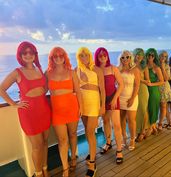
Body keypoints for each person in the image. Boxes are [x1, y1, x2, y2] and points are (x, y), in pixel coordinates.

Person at [0, 41, 51, 177]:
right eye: (25, 53)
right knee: (37, 145)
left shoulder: (39, 69)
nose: (28, 55)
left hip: (44, 110)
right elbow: (1, 88)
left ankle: (45, 168)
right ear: (20, 55)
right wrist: (14, 104)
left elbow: (44, 88)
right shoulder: (17, 72)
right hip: (29, 113)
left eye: (31, 52)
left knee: (45, 142)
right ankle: (38, 173)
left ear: (35, 54)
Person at [46, 47, 81, 176]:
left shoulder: (71, 72)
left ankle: (73, 159)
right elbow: (42, 90)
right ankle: (65, 168)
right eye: (55, 56)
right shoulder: (48, 73)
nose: (58, 58)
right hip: (57, 112)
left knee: (72, 134)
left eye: (61, 55)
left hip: (72, 108)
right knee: (62, 140)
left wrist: (81, 107)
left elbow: (78, 91)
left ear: (64, 57)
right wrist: (24, 95)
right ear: (51, 58)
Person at [76, 47, 105, 177]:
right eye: (81, 55)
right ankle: (91, 153)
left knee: (89, 131)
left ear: (89, 55)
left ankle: (93, 163)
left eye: (86, 55)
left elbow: (102, 90)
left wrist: (103, 105)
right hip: (82, 103)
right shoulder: (76, 70)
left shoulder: (97, 70)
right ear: (78, 57)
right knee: (89, 133)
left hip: (94, 102)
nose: (84, 57)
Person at [94, 47, 124, 164]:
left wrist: (115, 99)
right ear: (97, 57)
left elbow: (121, 85)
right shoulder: (95, 70)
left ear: (107, 56)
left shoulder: (113, 68)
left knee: (116, 125)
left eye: (104, 55)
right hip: (102, 100)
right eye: (100, 55)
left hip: (113, 98)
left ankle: (119, 150)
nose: (103, 57)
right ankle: (108, 143)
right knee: (105, 122)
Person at [118, 50, 140, 151]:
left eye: (127, 57)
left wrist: (132, 98)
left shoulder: (135, 70)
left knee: (131, 120)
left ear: (131, 58)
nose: (125, 59)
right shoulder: (118, 69)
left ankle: (132, 139)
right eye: (123, 57)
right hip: (120, 97)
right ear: (120, 59)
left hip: (132, 97)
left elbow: (137, 85)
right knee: (121, 119)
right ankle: (123, 137)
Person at [133, 48, 151, 142]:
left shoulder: (144, 67)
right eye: (137, 54)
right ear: (134, 55)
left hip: (143, 90)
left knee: (143, 110)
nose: (139, 56)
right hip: (133, 90)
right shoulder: (131, 65)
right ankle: (137, 131)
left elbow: (147, 81)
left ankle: (143, 131)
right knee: (136, 111)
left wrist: (139, 80)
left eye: (141, 54)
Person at [146, 48, 164, 134]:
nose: (150, 57)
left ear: (154, 57)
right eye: (148, 55)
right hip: (145, 91)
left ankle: (151, 127)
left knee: (153, 109)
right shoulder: (144, 66)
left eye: (152, 55)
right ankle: (153, 127)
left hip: (153, 91)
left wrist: (151, 84)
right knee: (147, 109)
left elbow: (162, 81)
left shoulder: (156, 67)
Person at [157, 50, 171, 130]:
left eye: (165, 56)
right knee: (156, 106)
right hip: (155, 87)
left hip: (164, 87)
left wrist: (163, 68)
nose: (163, 58)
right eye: (162, 56)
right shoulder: (154, 65)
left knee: (163, 106)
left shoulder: (166, 66)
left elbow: (166, 78)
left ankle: (160, 123)